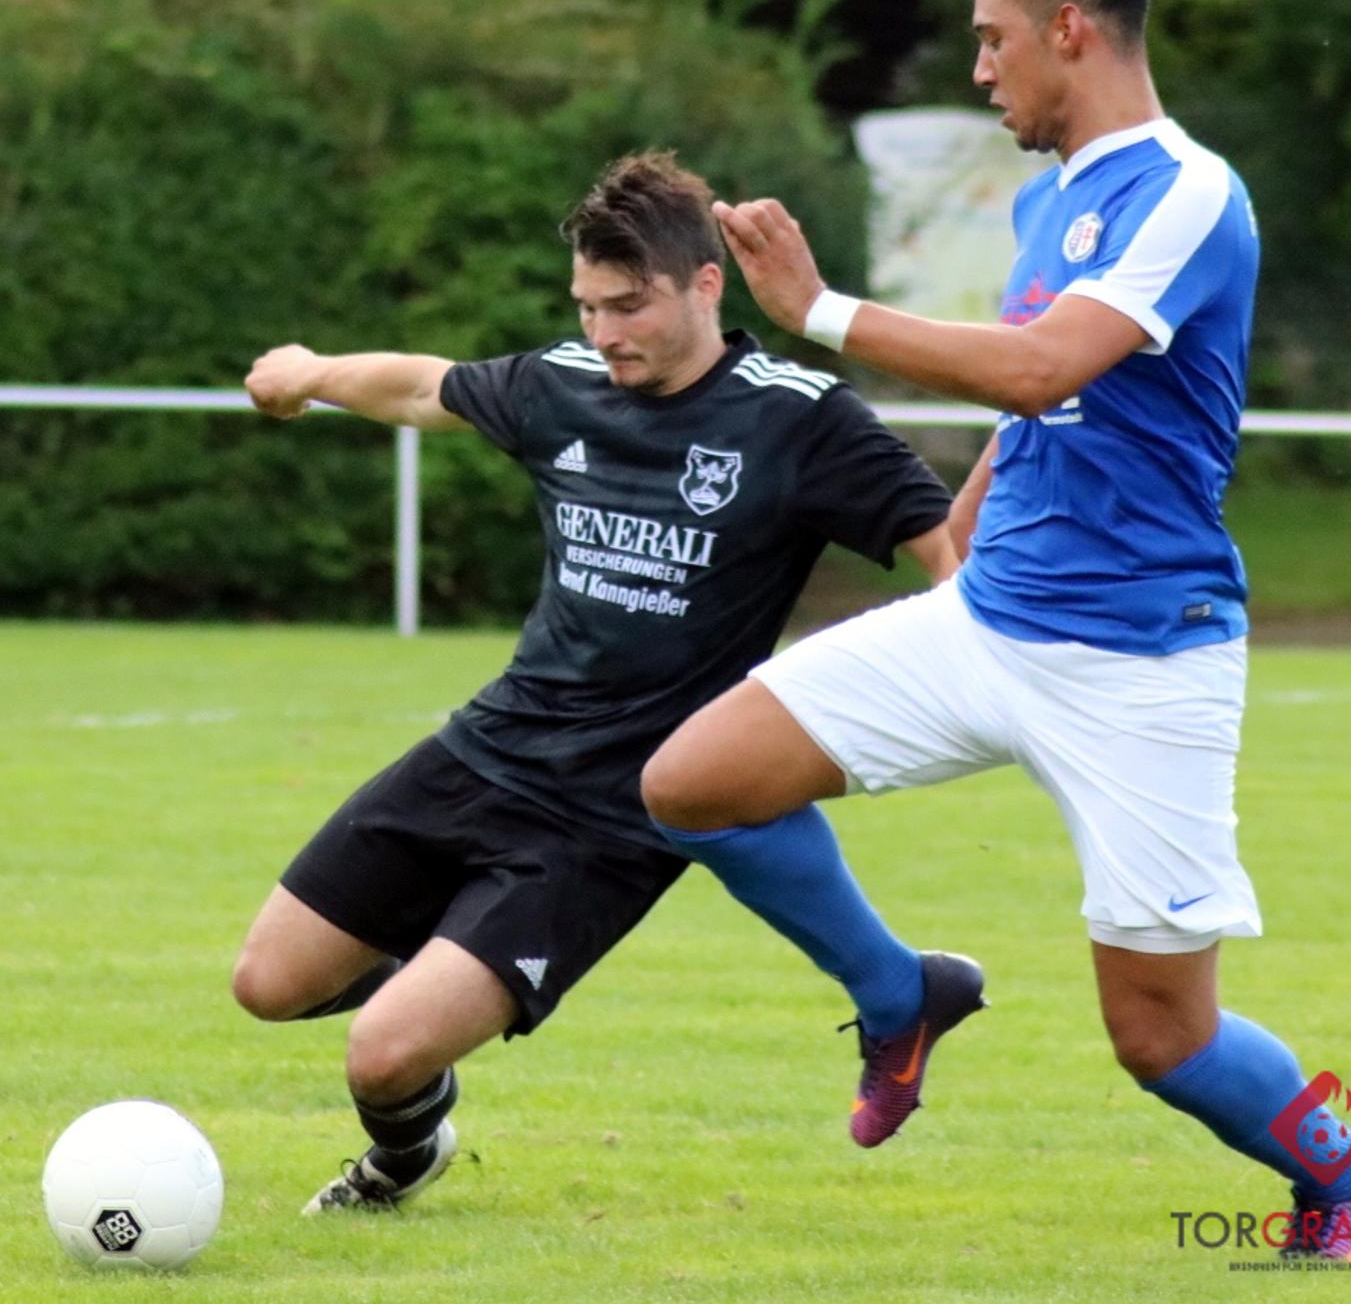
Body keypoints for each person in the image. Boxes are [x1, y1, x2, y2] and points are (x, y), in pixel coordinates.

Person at [641, 0, 1351, 1261]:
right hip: (987, 623)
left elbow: (1046, 362)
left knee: (1161, 1036)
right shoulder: (1050, 199)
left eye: (993, 40)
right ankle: (900, 997)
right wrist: (968, 516)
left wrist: (821, 313)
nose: (980, 69)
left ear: (1071, 30)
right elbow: (1041, 395)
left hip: (1139, 660)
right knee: (693, 782)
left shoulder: (1190, 191)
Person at [231, 151, 957, 1214]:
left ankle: (402, 1145)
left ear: (705, 285)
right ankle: (434, 1024)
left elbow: (953, 555)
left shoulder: (798, 420)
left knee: (380, 1055)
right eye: (587, 305)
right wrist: (310, 369)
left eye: (628, 305)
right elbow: (427, 387)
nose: (602, 331)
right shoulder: (563, 383)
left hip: (612, 818)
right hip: (488, 746)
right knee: (267, 985)